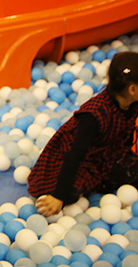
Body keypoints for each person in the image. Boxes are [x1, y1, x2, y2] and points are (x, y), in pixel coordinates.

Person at [29, 52, 138, 217]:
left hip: (105, 155)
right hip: (73, 161)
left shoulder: (131, 103)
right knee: (70, 193)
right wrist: (58, 196)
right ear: (132, 89)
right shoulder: (94, 115)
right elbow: (74, 155)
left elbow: (125, 137)